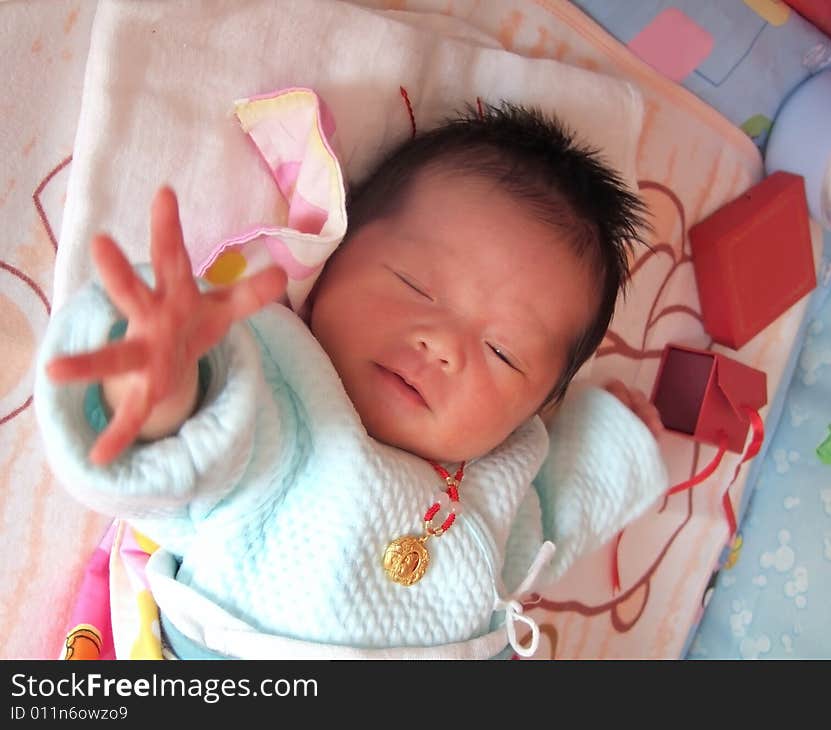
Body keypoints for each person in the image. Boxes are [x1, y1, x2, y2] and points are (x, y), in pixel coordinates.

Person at [35, 103, 668, 659]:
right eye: (416, 285)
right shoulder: (275, 395)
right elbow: (182, 462)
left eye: (503, 352)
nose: (442, 345)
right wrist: (159, 378)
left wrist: (619, 441)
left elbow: (558, 518)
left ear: (536, 407)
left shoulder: (503, 476)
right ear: (335, 257)